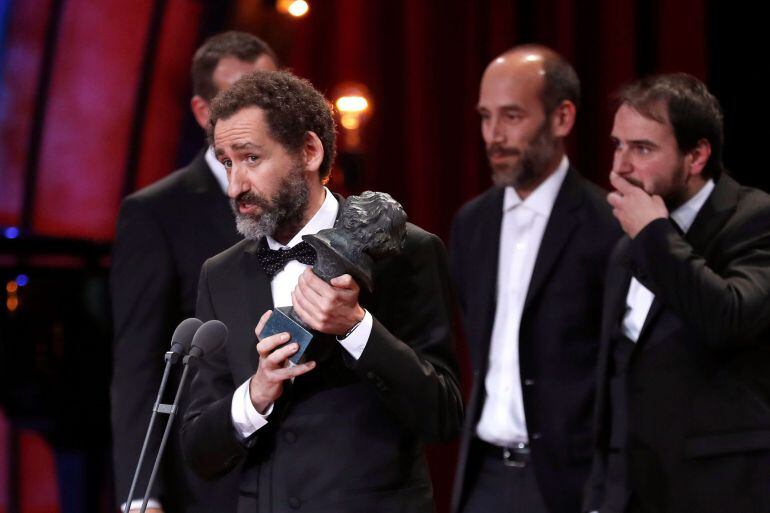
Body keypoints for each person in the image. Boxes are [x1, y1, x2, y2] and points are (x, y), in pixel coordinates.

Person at [181, 70, 463, 513]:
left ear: (309, 151)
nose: (235, 186)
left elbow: (443, 415)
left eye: (251, 159)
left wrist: (357, 329)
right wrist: (255, 395)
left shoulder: (408, 251)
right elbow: (199, 450)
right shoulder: (220, 274)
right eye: (226, 163)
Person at [584, 73, 770, 513]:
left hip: (723, 493)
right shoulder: (625, 249)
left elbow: (728, 317)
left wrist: (654, 234)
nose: (619, 167)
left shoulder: (754, 219)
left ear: (697, 155)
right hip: (632, 493)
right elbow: (615, 383)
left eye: (642, 148)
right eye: (617, 145)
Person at [110, 31, 277, 513]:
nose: (261, 114)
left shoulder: (304, 195)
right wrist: (142, 494)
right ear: (204, 114)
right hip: (210, 479)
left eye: (268, 94)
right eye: (240, 99)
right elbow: (140, 366)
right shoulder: (157, 212)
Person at [450, 45, 620, 513]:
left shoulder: (607, 225)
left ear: (562, 117)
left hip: (570, 487)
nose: (493, 135)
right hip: (481, 479)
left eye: (511, 116)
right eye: (486, 117)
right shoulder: (471, 224)